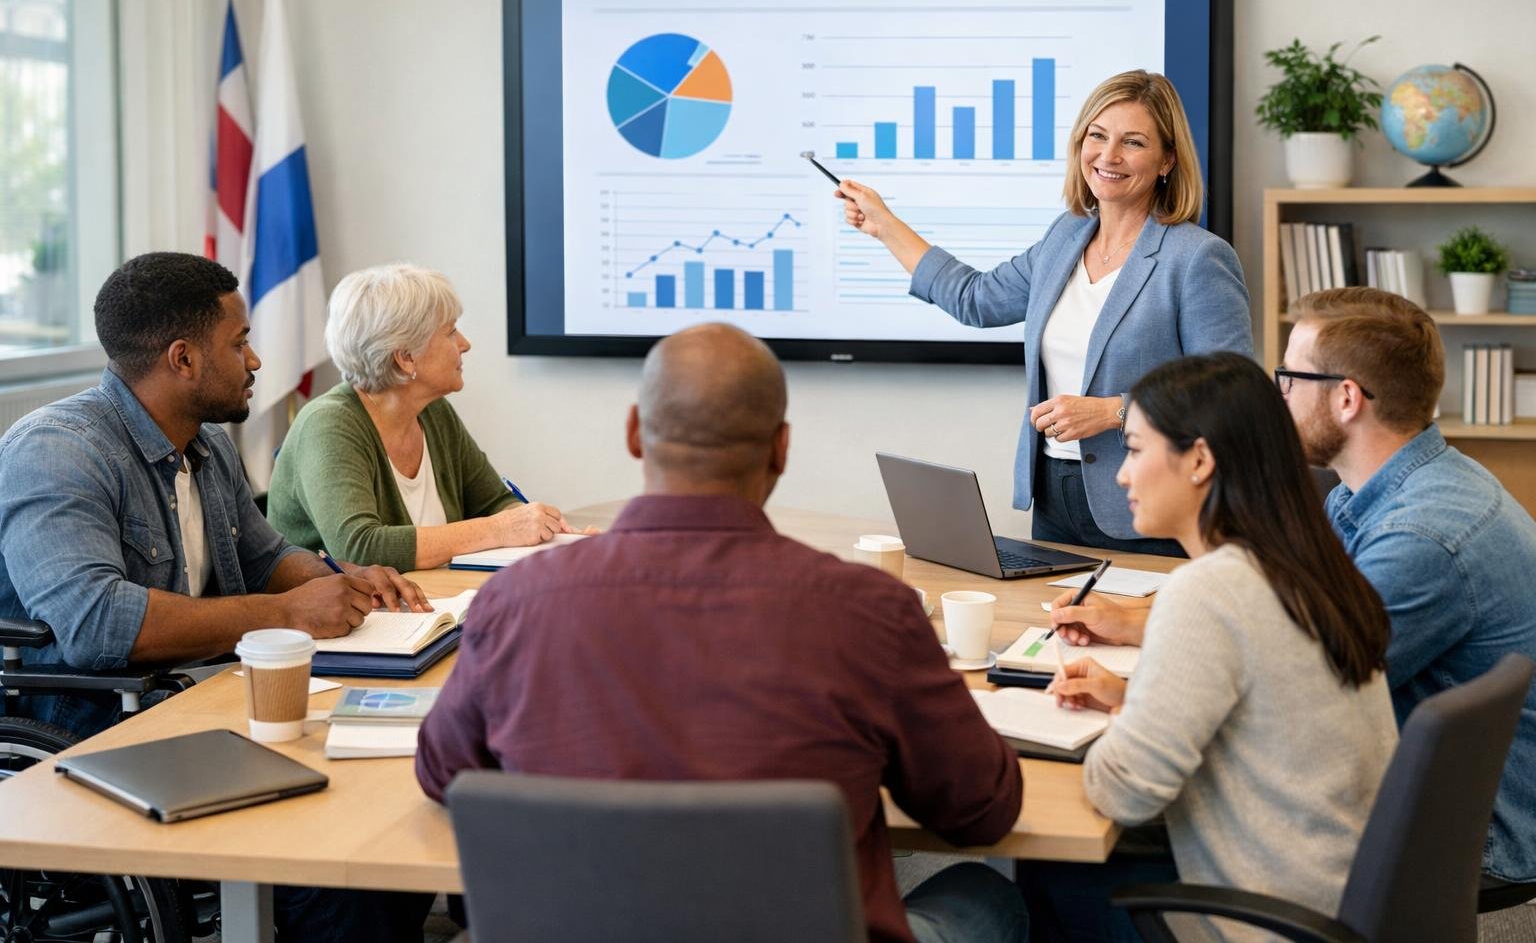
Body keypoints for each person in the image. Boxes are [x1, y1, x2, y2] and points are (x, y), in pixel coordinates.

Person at [417, 323, 1029, 943]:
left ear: (634, 432)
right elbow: (980, 809)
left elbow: (443, 772)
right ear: (781, 448)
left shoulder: (515, 602)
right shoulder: (872, 612)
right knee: (985, 897)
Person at [0, 252, 433, 943]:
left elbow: (265, 557)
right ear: (183, 359)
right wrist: (289, 613)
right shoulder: (58, 451)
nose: (256, 360)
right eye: (239, 344)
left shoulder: (207, 447)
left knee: (392, 821)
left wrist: (335, 581)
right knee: (342, 876)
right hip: (97, 723)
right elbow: (97, 625)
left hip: (196, 702)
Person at [1036, 352, 1397, 942]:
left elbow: (1121, 789)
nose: (1123, 475)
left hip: (1263, 917)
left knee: (1039, 869)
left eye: (1133, 449)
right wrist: (1136, 701)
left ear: (1199, 459)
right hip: (1338, 896)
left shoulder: (1209, 592)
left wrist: (1124, 730)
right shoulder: (1308, 565)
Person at [836, 71, 1251, 556]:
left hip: (1150, 501)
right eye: (1097, 136)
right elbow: (976, 298)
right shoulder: (1066, 236)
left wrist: (1115, 412)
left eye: (1132, 142)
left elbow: (1233, 394)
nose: (1108, 155)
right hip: (1054, 495)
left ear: (1167, 160)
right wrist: (885, 226)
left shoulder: (1197, 258)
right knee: (1058, 630)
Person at [1280, 287, 1536, 887]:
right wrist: (1143, 625)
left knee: (1142, 823)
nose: (1280, 396)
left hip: (1477, 829)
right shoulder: (1392, 486)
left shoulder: (1423, 535)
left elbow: (1299, 692)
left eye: (1289, 377)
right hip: (1427, 779)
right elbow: (1306, 613)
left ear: (1346, 398)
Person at [268, 264, 590, 571]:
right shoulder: (327, 425)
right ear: (406, 358)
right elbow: (360, 548)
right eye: (451, 332)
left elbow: (494, 502)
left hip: (427, 609)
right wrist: (501, 529)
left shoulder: (433, 410)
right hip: (342, 624)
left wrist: (552, 537)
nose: (465, 344)